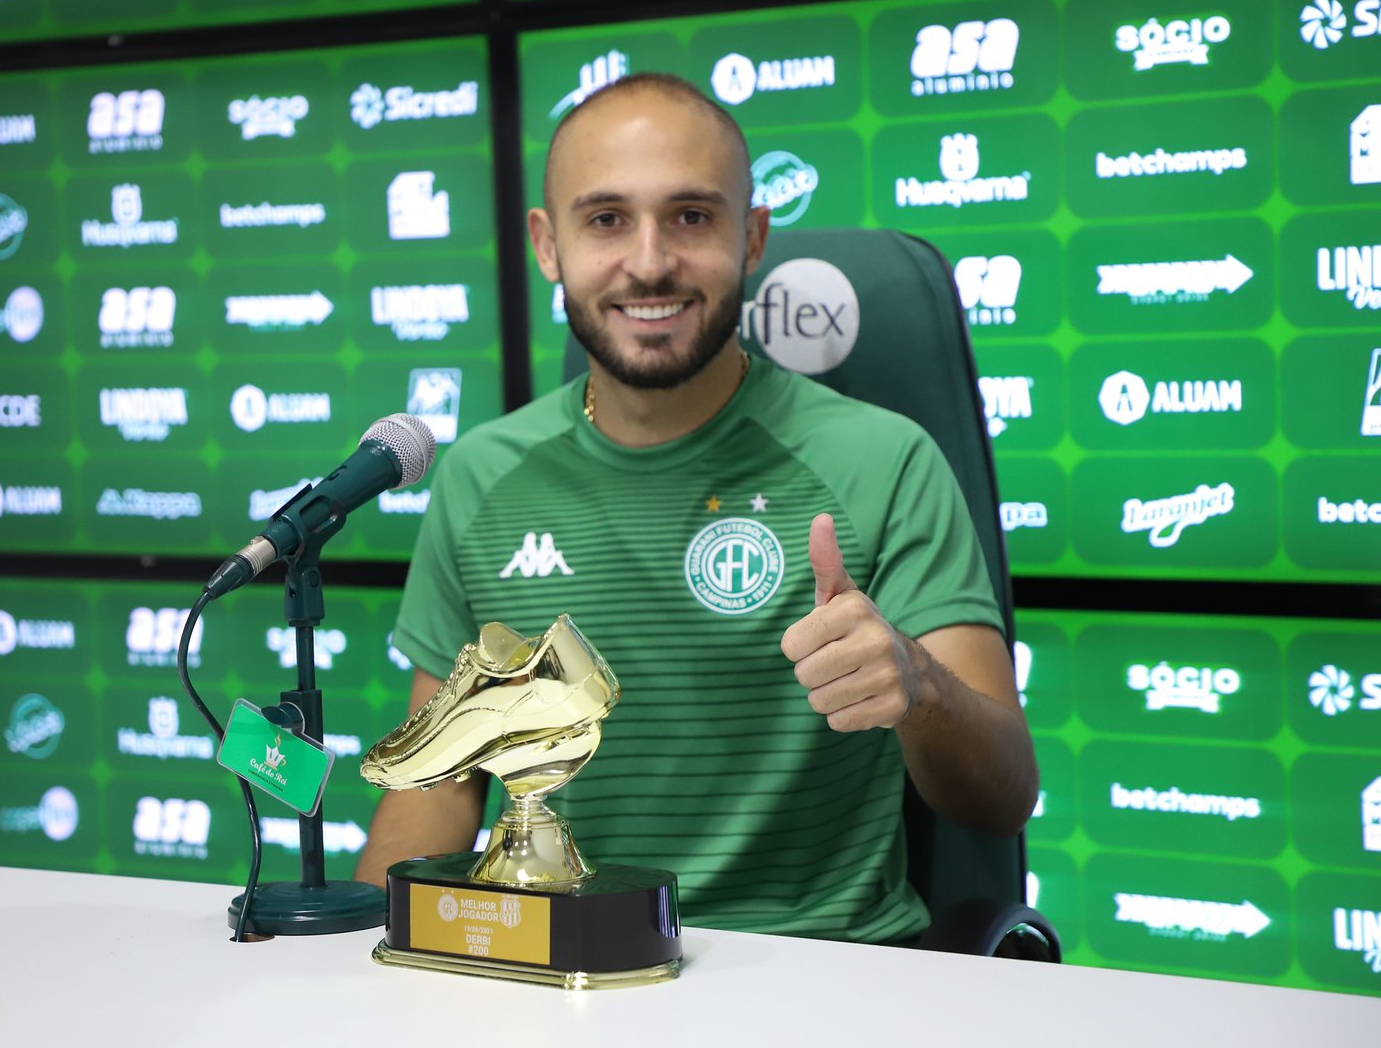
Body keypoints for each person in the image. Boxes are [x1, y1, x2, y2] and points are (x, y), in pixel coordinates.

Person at [354, 72, 1037, 943]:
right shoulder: (479, 473)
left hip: (823, 977)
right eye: (606, 220)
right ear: (548, 245)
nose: (648, 262)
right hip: (557, 967)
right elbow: (442, 785)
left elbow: (1002, 797)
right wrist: (354, 963)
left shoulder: (885, 458)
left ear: (751, 237)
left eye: (691, 216)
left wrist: (915, 683)